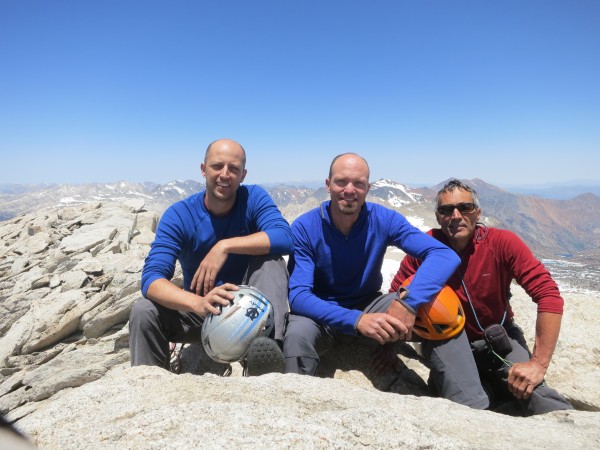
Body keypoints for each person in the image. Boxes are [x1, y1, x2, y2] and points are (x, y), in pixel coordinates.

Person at [390, 178, 573, 415]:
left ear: (477, 213)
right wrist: (387, 349)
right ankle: (483, 390)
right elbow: (394, 300)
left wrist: (538, 365)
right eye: (446, 210)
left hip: (498, 335)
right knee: (470, 407)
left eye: (464, 208)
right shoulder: (424, 248)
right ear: (438, 217)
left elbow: (548, 295)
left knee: (531, 389)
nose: (456, 215)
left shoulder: (502, 243)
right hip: (446, 341)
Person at [283, 153, 460, 376]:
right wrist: (356, 320)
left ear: (368, 187)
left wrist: (409, 302)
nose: (349, 190)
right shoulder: (305, 227)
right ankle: (297, 400)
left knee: (439, 310)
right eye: (341, 182)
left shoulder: (384, 219)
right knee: (297, 335)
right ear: (328, 185)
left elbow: (444, 255)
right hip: (320, 312)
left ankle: (465, 400)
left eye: (358, 183)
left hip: (368, 303)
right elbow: (299, 297)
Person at [129, 138, 294, 376]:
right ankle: (148, 385)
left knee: (272, 260)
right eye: (217, 166)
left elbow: (284, 237)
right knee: (144, 311)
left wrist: (224, 246)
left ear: (243, 175)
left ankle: (266, 360)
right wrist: (198, 304)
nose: (225, 174)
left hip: (251, 314)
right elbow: (151, 280)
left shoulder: (253, 198)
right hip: (200, 313)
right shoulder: (179, 215)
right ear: (203, 169)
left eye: (234, 168)